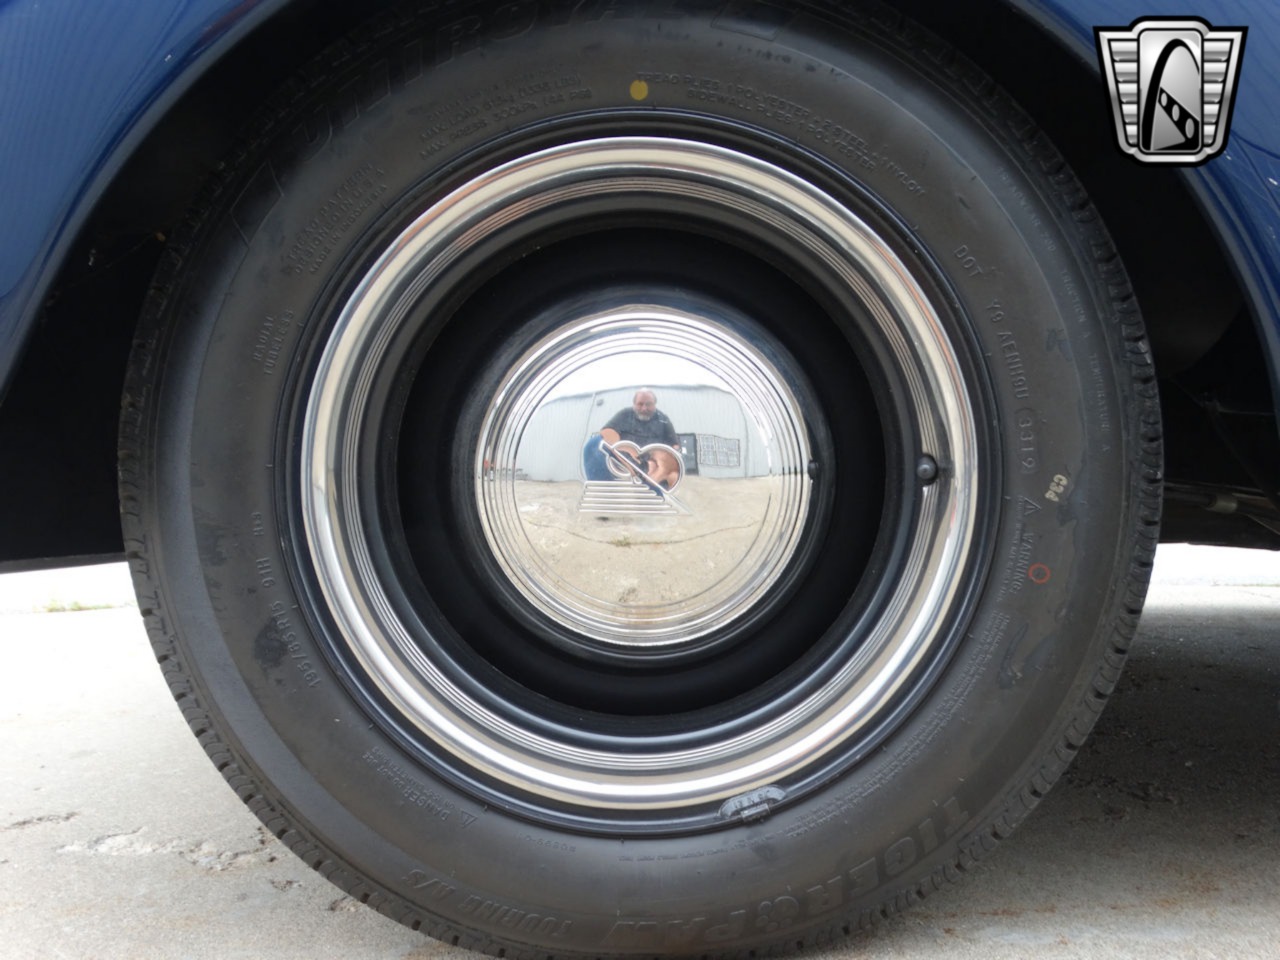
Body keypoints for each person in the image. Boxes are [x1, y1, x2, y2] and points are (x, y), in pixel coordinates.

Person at [585, 389, 682, 489]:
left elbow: (674, 445)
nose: (644, 408)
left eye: (648, 404)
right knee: (594, 443)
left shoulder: (663, 419)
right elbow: (607, 432)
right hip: (625, 466)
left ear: (655, 404)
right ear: (634, 404)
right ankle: (602, 491)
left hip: (654, 471)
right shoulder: (625, 414)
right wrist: (627, 459)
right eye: (640, 404)